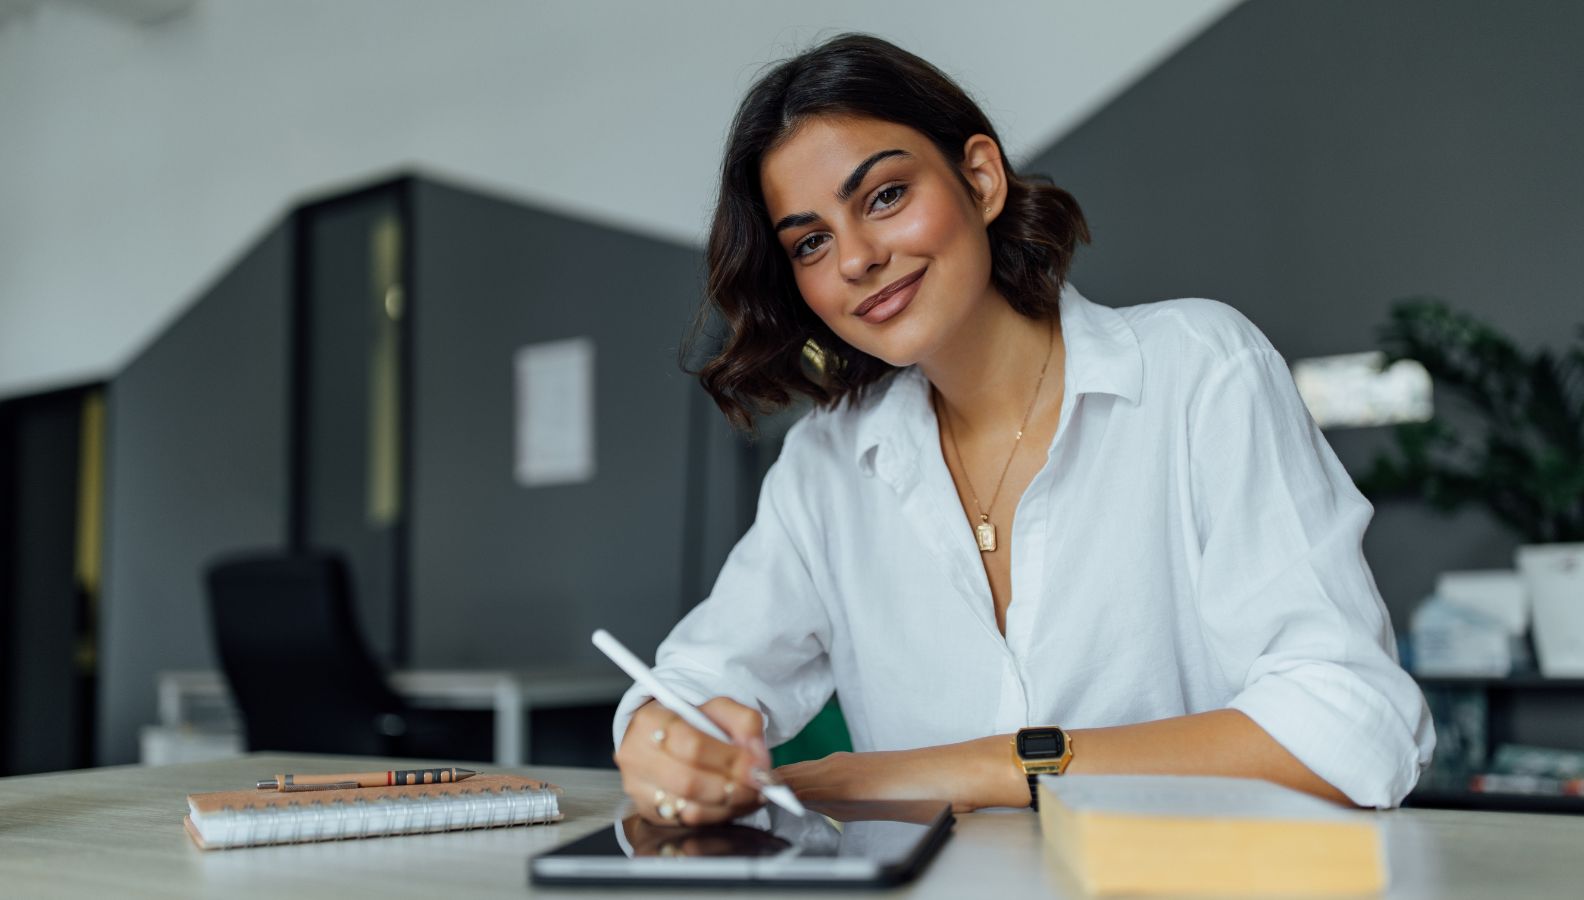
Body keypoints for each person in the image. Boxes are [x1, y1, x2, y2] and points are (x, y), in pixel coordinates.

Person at [611, 32, 1434, 826]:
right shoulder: (827, 463)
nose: (856, 257)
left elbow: (1350, 726)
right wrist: (668, 737)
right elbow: (697, 681)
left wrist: (973, 768)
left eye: (885, 196)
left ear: (980, 177)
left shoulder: (1197, 369)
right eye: (812, 242)